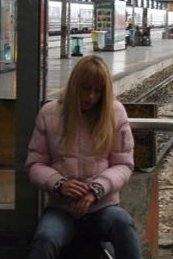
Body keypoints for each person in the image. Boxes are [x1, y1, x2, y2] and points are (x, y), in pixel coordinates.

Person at [26, 55, 140, 259]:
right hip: (61, 208)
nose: (90, 97)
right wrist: (59, 184)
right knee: (45, 238)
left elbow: (123, 165)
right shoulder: (50, 113)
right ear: (74, 86)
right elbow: (35, 164)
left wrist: (96, 190)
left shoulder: (115, 113)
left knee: (123, 224)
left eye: (98, 91)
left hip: (102, 207)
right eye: (85, 89)